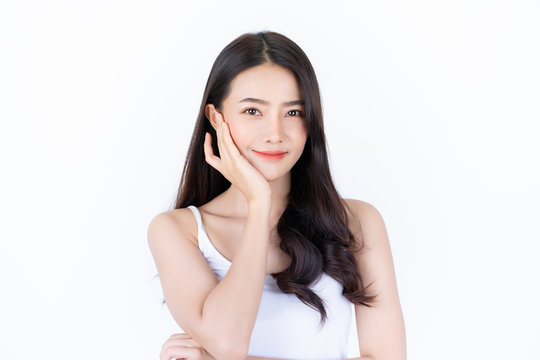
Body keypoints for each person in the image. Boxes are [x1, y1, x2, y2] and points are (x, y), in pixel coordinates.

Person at [147, 31, 406, 360]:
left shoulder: (357, 222)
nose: (274, 134)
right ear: (216, 118)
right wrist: (258, 204)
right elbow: (229, 343)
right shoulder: (178, 230)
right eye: (253, 111)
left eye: (293, 113)